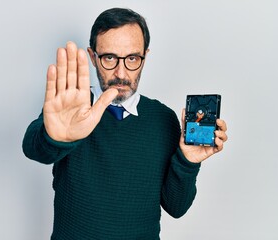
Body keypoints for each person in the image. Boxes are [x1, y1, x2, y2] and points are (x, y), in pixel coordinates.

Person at [22, 7, 228, 240]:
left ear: (145, 57)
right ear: (93, 57)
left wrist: (188, 161)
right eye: (109, 57)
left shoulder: (163, 119)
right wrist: (55, 138)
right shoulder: (72, 108)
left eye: (132, 58)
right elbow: (33, 148)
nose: (121, 73)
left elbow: (176, 207)